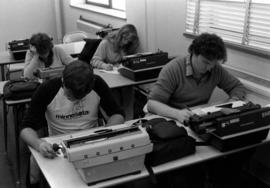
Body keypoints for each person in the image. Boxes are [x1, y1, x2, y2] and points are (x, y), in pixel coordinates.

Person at [20, 60, 125, 187]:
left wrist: (104, 134)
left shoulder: (97, 84)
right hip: (58, 145)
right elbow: (26, 128)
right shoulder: (48, 89)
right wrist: (39, 144)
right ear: (63, 80)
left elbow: (117, 115)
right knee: (34, 173)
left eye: (77, 97)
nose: (70, 98)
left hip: (92, 140)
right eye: (68, 94)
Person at [147, 33, 246, 123]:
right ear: (194, 53)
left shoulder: (215, 69)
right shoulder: (173, 69)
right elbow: (152, 103)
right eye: (206, 62)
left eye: (213, 64)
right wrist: (177, 114)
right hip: (170, 118)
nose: (209, 68)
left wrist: (233, 102)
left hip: (196, 119)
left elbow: (237, 87)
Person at [91, 24, 140, 120]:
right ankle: (116, 120)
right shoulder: (106, 43)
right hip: (109, 78)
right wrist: (104, 65)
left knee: (129, 89)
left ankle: (129, 120)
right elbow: (94, 60)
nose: (125, 43)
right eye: (124, 39)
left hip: (121, 75)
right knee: (114, 97)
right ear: (119, 36)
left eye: (128, 41)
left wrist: (130, 60)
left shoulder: (128, 46)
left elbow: (127, 60)